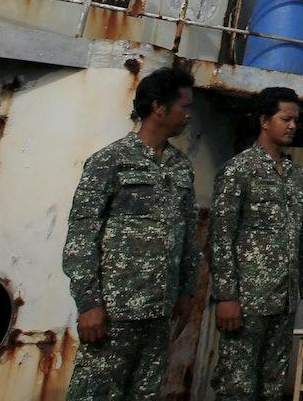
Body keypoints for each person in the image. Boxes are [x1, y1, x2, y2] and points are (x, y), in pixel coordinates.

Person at [62, 65, 200, 401]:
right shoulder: (110, 161)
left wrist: (185, 292)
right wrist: (89, 304)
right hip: (114, 312)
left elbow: (187, 234)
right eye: (183, 106)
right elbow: (82, 234)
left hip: (159, 312)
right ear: (158, 107)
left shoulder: (180, 166)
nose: (188, 115)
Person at [208, 86, 303, 401]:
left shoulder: (295, 176)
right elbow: (221, 236)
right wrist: (226, 296)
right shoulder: (238, 171)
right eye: (286, 119)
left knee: (271, 386)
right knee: (237, 386)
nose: (293, 126)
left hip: (283, 303)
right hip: (246, 303)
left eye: (296, 120)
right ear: (264, 121)